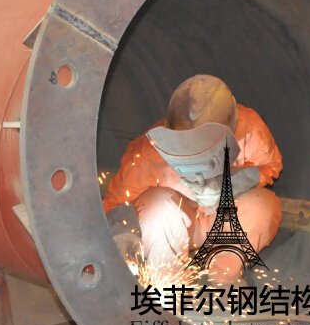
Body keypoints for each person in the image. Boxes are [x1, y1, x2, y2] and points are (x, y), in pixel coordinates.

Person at [103, 75, 282, 284]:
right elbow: (114, 207)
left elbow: (270, 167)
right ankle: (168, 284)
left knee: (263, 204)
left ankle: (223, 277)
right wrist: (123, 237)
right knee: (157, 205)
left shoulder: (250, 129)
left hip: (222, 224)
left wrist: (232, 184)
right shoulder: (147, 155)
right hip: (177, 231)